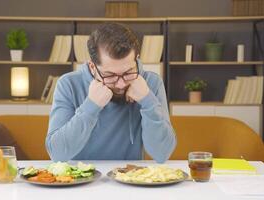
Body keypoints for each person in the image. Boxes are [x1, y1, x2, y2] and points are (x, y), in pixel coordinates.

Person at [46, 23, 176, 163]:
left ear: (137, 59)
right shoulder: (68, 84)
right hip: (80, 181)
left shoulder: (151, 83)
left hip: (129, 179)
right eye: (110, 75)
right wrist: (91, 106)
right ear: (92, 67)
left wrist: (148, 101)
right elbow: (57, 154)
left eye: (128, 72)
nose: (121, 84)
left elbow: (162, 154)